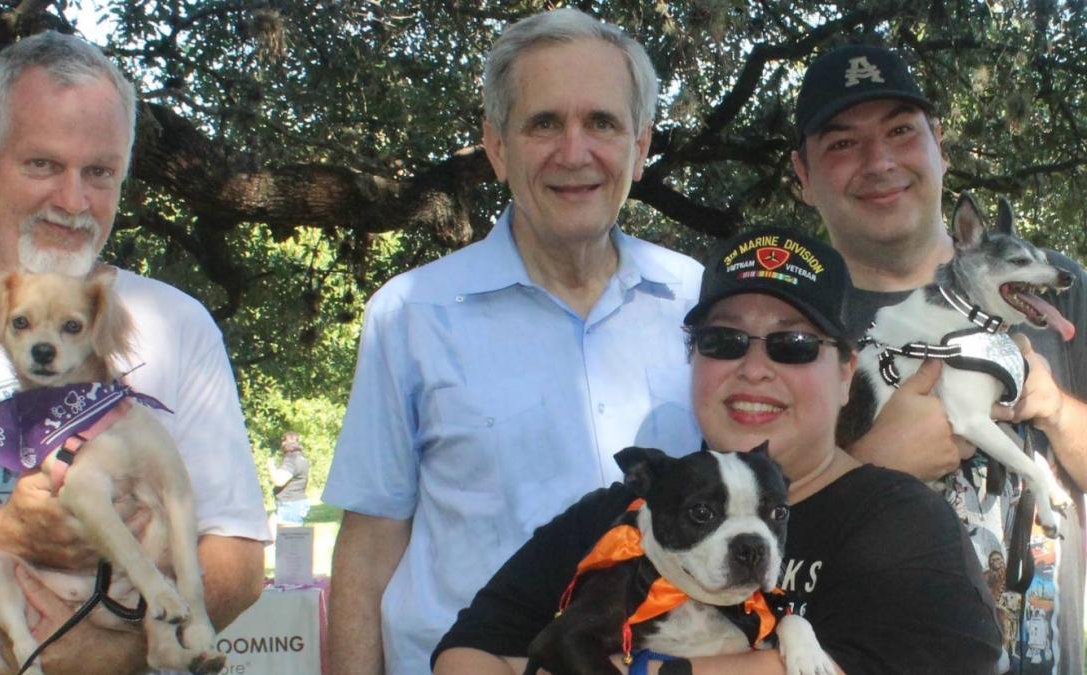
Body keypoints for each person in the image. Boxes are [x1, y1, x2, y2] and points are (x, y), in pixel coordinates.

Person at [433, 226, 1003, 674]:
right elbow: (468, 650)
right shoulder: (615, 516)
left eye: (794, 345)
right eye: (722, 341)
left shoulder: (902, 526)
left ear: (846, 371)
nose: (755, 369)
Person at [322, 8, 704, 674]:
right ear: (497, 147)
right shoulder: (412, 316)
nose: (575, 151)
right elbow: (369, 550)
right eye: (544, 123)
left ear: (641, 148)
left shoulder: (701, 306)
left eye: (603, 123)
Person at [0, 32, 270, 674]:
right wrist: (0, 534)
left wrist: (106, 658)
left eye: (99, 173)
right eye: (43, 165)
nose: (73, 201)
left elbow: (236, 556)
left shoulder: (178, 323)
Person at [790, 44, 1087, 674]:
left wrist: (1057, 410)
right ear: (801, 174)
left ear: (939, 146)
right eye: (843, 143)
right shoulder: (785, 328)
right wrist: (868, 469)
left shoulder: (1060, 296)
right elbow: (747, 542)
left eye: (901, 130)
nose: (880, 162)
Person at [269, 431, 311, 526]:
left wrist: (270, 464)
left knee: (289, 539)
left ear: (283, 443)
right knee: (271, 531)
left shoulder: (291, 459)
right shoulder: (301, 458)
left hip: (290, 505)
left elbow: (278, 481)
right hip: (294, 503)